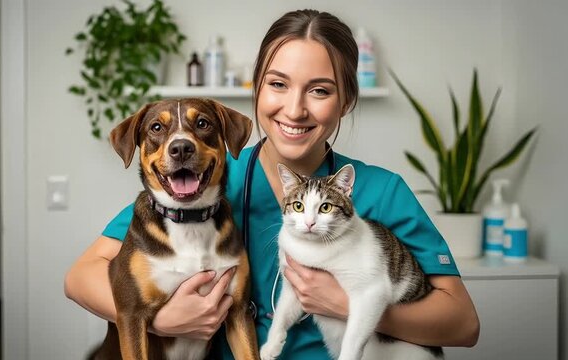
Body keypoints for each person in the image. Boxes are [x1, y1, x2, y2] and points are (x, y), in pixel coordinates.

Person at [65, 9, 479, 359]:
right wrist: (161, 318)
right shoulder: (206, 183)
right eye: (278, 84)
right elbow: (81, 277)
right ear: (257, 87)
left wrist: (345, 303)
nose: (294, 109)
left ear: (347, 101)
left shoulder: (381, 190)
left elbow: (462, 323)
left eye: (320, 90)